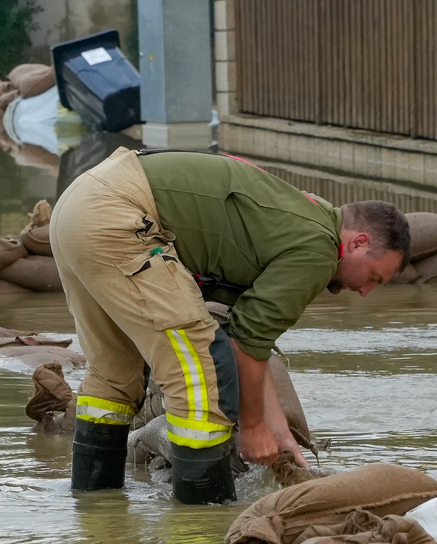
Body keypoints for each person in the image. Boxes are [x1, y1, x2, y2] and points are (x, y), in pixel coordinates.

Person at [49, 147, 409, 503]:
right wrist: (252, 430)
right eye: (374, 277)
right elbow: (245, 346)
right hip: (119, 215)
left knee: (115, 370)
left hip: (78, 205)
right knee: (203, 375)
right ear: (359, 243)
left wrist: (280, 435)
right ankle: (203, 528)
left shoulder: (302, 218)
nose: (364, 292)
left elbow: (253, 341)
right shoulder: (318, 249)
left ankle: (96, 508)